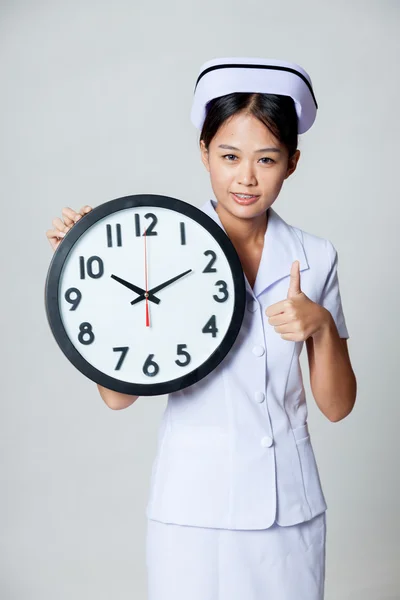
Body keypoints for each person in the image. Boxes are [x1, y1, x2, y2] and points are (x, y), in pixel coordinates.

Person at [46, 57, 357, 600]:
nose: (247, 177)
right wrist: (90, 261)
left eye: (267, 159)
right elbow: (118, 399)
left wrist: (322, 327)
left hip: (290, 512)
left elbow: (336, 406)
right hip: (193, 512)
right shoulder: (156, 245)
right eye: (229, 156)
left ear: (293, 163)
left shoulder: (315, 256)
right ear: (204, 153)